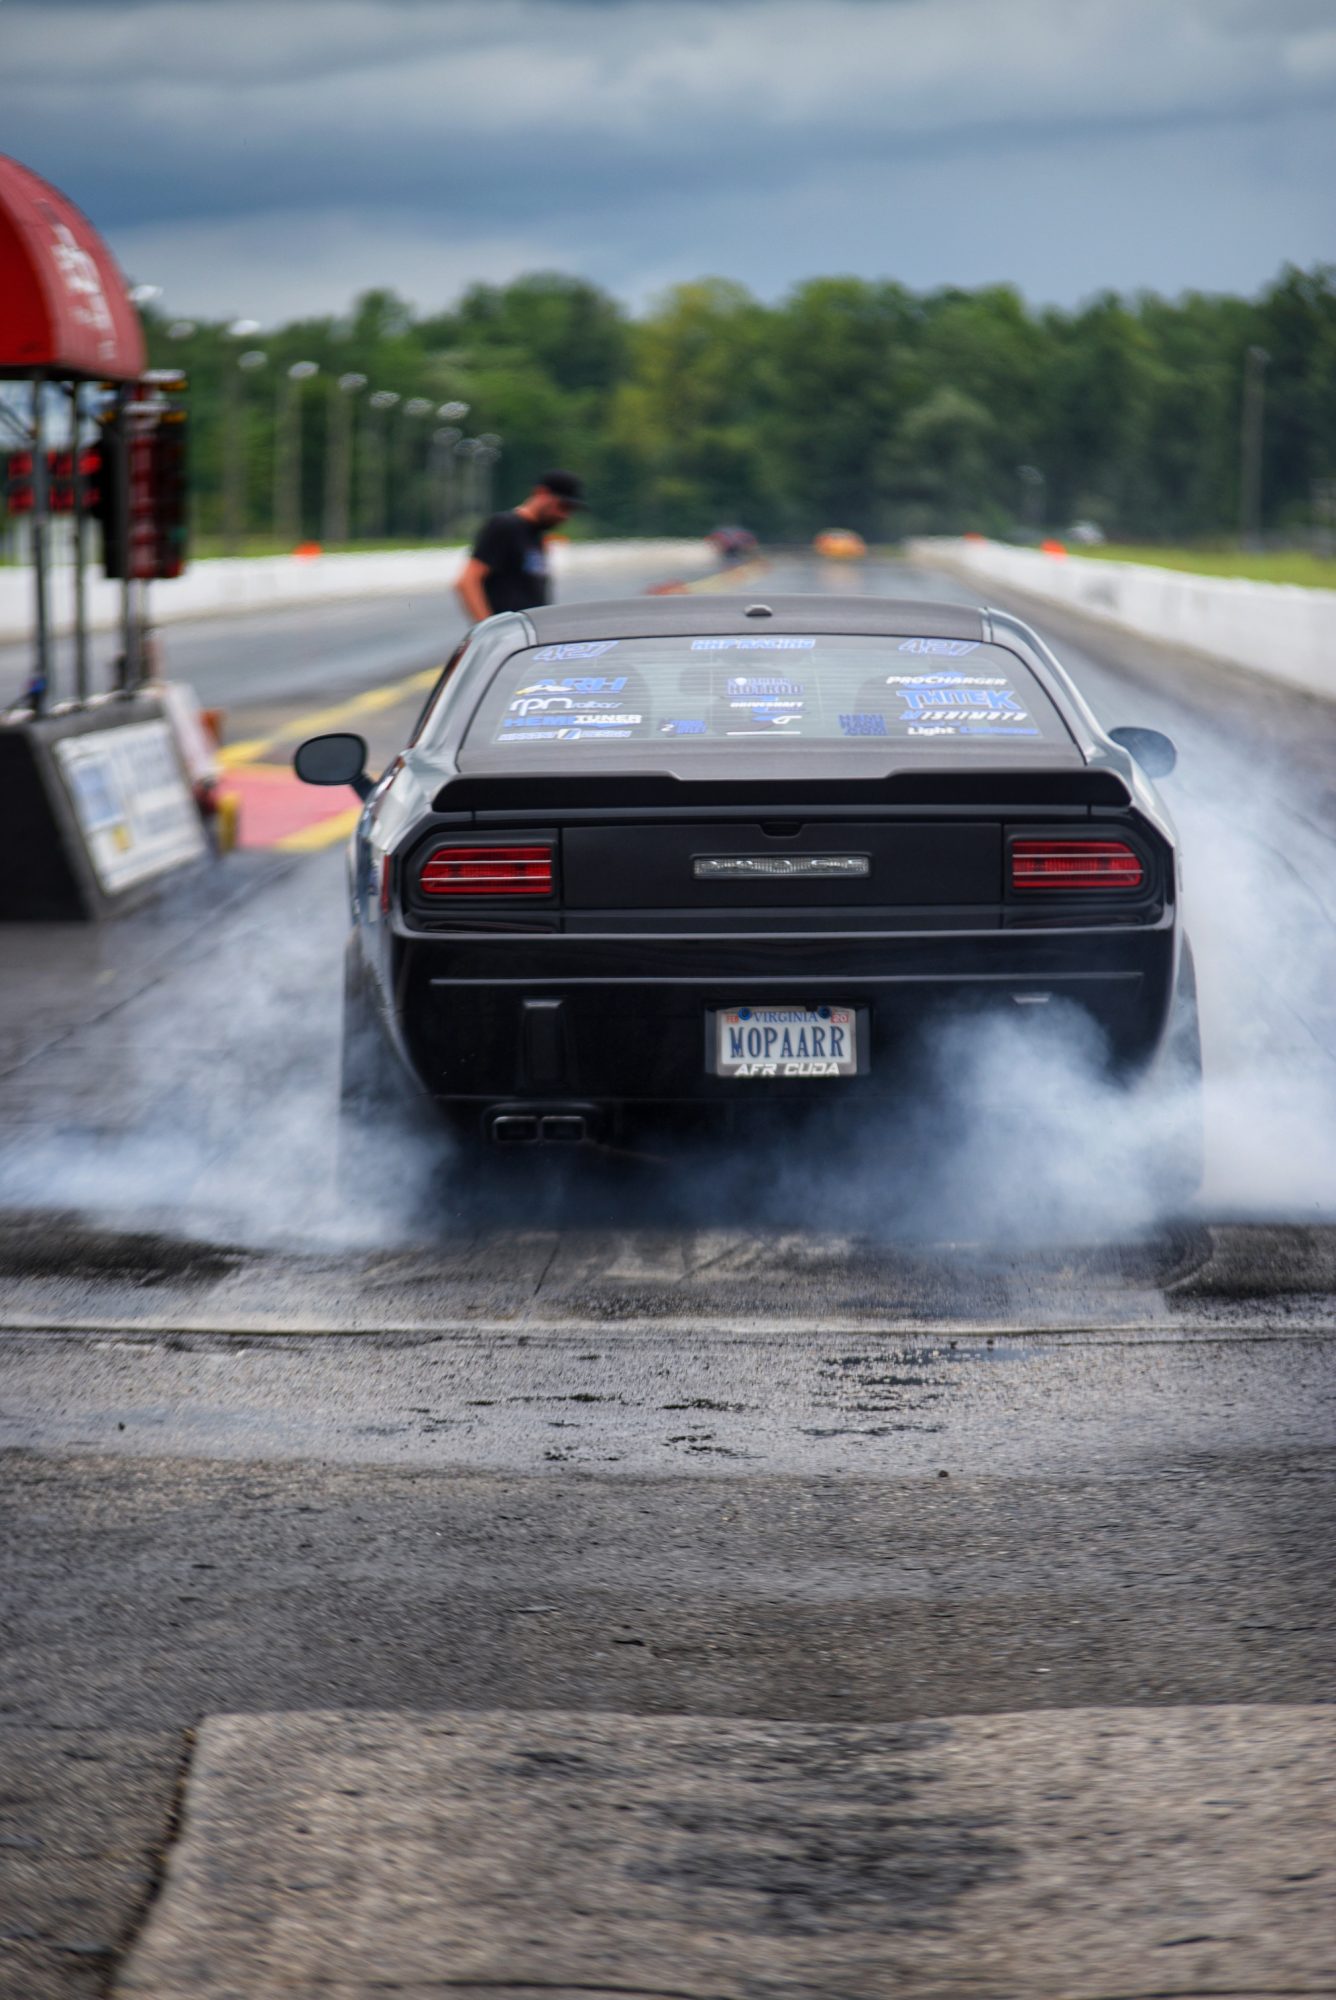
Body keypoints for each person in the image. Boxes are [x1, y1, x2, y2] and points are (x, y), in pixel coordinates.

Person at [454, 470, 585, 622]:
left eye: (570, 510)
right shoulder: (505, 526)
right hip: (511, 634)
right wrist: (489, 629)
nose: (564, 516)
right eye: (562, 506)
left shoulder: (537, 535)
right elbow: (468, 581)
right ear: (541, 493)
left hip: (533, 633)